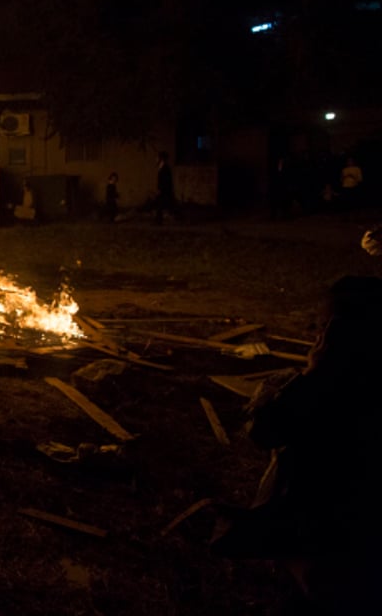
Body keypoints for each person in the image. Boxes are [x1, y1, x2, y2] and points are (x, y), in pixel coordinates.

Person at [212, 276, 382, 612]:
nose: (317, 332)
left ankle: (310, 576)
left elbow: (264, 431)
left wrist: (311, 371)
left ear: (337, 330)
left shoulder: (329, 385)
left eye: (324, 325)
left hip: (333, 529)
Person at [153, 151, 176, 224]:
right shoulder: (161, 167)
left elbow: (166, 181)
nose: (156, 159)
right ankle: (158, 220)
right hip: (164, 191)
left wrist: (160, 189)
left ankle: (159, 221)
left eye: (157, 158)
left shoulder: (165, 168)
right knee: (160, 205)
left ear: (161, 159)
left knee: (161, 205)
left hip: (165, 191)